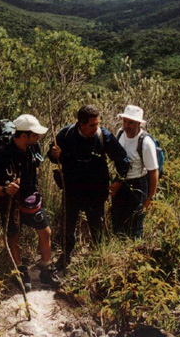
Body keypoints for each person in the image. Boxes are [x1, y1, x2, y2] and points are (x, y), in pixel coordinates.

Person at [0, 114, 58, 290]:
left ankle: (46, 269)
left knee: (45, 231)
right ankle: (19, 272)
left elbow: (36, 167)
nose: (38, 138)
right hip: (9, 203)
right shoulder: (0, 154)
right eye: (34, 134)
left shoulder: (33, 147)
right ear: (24, 136)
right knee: (13, 236)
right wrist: (5, 190)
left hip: (31, 199)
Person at [48, 105, 129, 265]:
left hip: (96, 190)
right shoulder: (67, 134)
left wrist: (118, 181)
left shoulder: (102, 135)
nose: (96, 128)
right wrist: (53, 153)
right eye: (92, 125)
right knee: (68, 224)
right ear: (81, 124)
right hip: (71, 189)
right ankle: (66, 257)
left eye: (97, 124)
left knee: (96, 225)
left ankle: (101, 258)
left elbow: (122, 158)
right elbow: (52, 154)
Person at [112, 105, 159, 238]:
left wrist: (150, 197)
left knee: (135, 223)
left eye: (131, 122)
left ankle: (135, 252)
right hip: (121, 182)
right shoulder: (120, 134)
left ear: (138, 123)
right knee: (117, 220)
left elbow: (153, 171)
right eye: (125, 121)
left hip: (138, 185)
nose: (127, 125)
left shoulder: (145, 142)